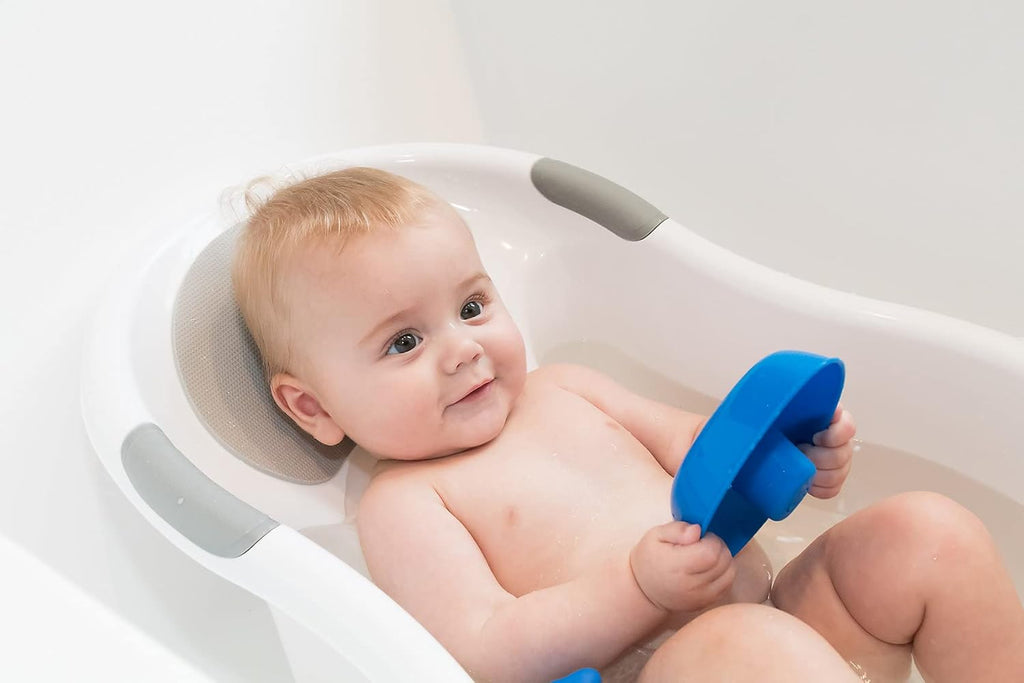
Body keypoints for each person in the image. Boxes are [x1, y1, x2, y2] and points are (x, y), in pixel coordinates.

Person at [232, 167, 1024, 682]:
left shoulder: (565, 387)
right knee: (752, 647)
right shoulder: (405, 503)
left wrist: (798, 453)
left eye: (471, 306)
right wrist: (635, 588)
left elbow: (707, 450)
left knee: (927, 533)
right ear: (315, 407)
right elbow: (483, 649)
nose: (464, 348)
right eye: (404, 342)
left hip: (779, 616)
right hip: (657, 668)